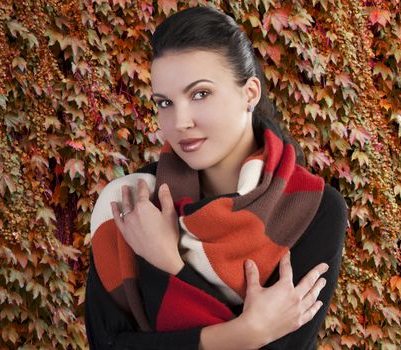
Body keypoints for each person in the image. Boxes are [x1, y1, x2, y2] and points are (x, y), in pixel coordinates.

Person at [85, 6, 347, 350]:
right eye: (164, 103)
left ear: (250, 93)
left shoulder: (312, 207)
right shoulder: (132, 202)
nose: (180, 122)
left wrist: (170, 264)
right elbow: (107, 345)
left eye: (200, 94)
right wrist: (245, 334)